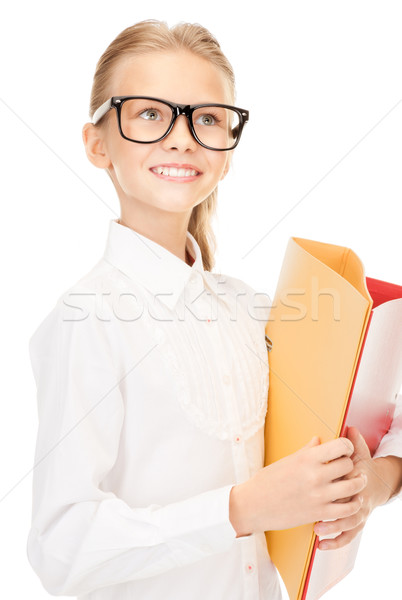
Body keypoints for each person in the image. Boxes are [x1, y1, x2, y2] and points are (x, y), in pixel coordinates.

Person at [26, 19, 402, 600]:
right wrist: (241, 509)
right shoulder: (89, 319)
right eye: (150, 113)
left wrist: (371, 482)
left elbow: (378, 410)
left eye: (206, 118)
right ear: (97, 143)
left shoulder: (250, 310)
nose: (182, 138)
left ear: (227, 154)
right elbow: (61, 547)